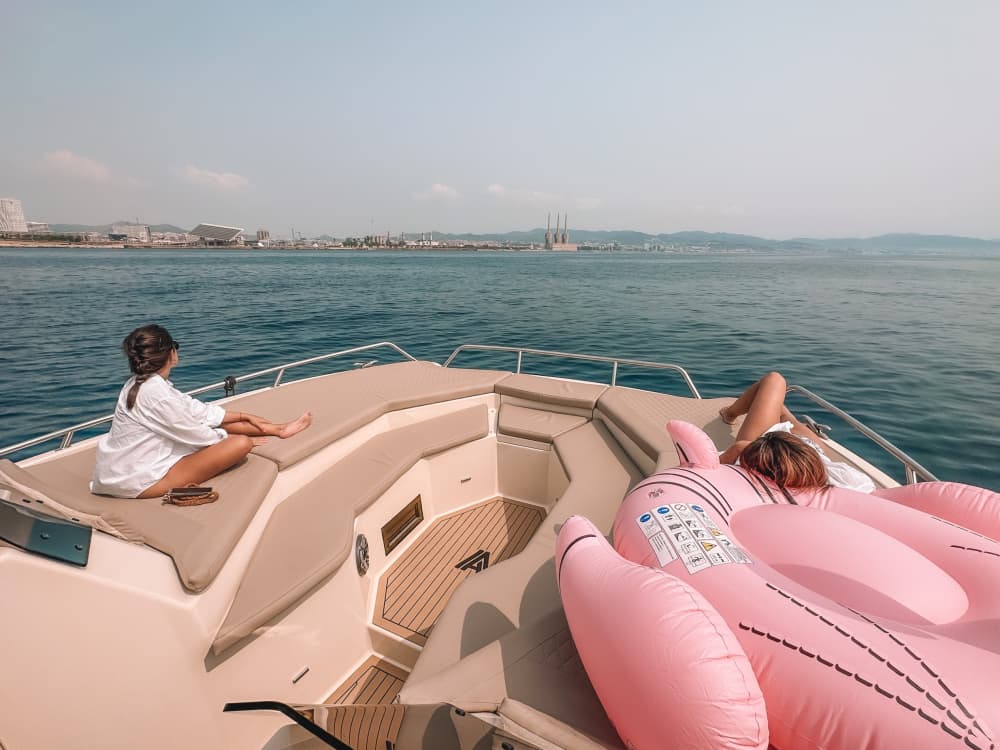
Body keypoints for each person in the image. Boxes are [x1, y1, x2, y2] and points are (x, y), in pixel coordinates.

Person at [90, 324, 312, 499]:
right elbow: (198, 436)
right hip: (138, 481)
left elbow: (199, 412)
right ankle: (272, 430)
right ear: (170, 353)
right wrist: (231, 439)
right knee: (241, 443)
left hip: (119, 472)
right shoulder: (157, 394)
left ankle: (277, 429)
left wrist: (245, 416)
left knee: (217, 421)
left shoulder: (141, 384)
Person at [717, 371, 875, 493]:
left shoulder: (856, 483)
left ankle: (730, 414)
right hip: (808, 457)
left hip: (773, 452)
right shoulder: (856, 485)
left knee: (774, 380)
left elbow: (713, 466)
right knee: (787, 417)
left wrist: (738, 449)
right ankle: (777, 411)